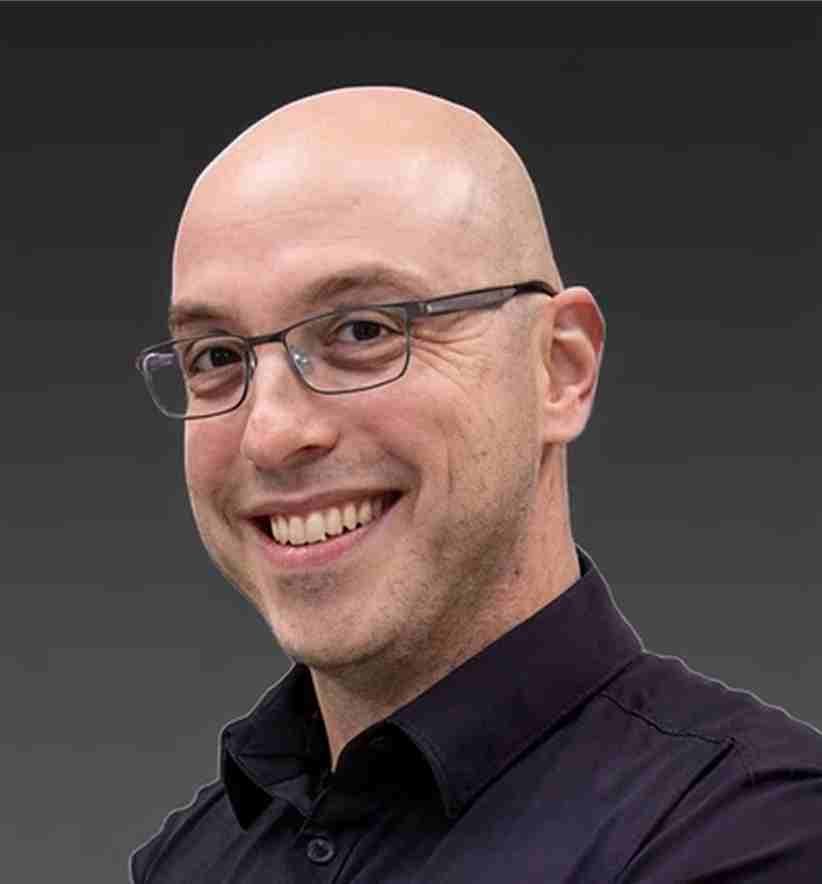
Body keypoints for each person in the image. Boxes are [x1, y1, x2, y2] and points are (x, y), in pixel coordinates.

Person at [130, 86, 822, 883]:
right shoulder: (190, 860)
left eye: (363, 331)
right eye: (216, 357)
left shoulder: (758, 838)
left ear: (559, 368)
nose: (273, 435)